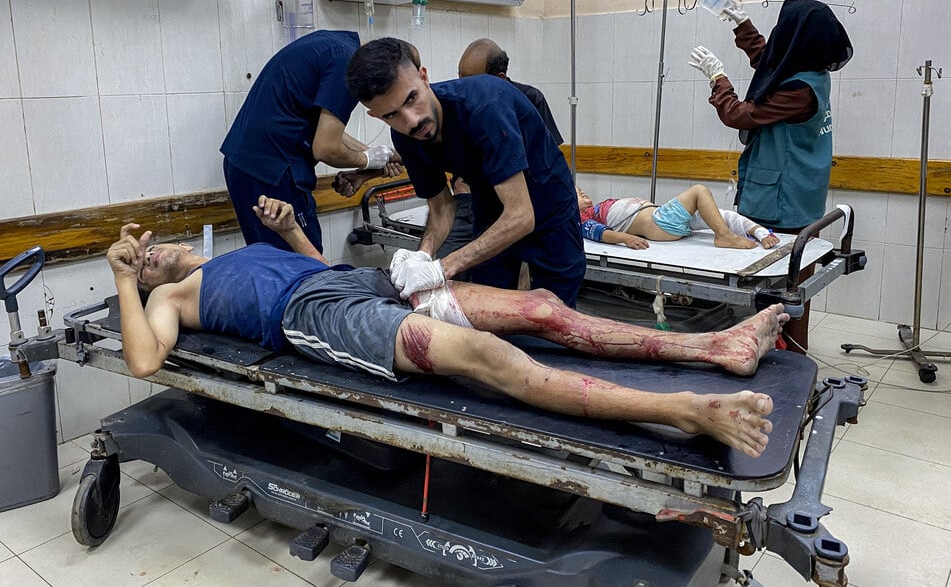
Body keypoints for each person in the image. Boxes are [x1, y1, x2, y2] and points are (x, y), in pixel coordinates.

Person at [106, 195, 790, 458]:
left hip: (345, 281)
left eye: (151, 247)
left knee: (540, 308)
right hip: (317, 319)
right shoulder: (173, 299)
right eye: (143, 265)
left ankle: (712, 344)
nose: (152, 256)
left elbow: (313, 269)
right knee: (490, 355)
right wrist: (123, 277)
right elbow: (142, 361)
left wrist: (289, 233)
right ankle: (686, 410)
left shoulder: (232, 253)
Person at [345, 37, 586, 307]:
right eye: (392, 115)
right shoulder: (406, 136)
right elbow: (441, 209)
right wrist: (423, 255)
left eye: (412, 99)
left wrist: (442, 268)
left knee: (556, 312)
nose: (412, 120)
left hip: (547, 204)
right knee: (490, 306)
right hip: (490, 206)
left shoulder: (484, 106)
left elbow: (521, 216)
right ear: (375, 116)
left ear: (424, 77)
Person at [689, 0, 852, 352]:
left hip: (781, 204)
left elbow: (741, 115)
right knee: (788, 297)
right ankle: (776, 358)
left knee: (783, 300)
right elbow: (771, 62)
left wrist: (719, 80)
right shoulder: (807, 71)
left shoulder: (800, 91)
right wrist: (743, 26)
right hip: (796, 196)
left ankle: (786, 367)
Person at [220, 29, 402, 253]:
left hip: (246, 166)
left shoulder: (332, 44)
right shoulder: (348, 64)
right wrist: (365, 160)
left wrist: (376, 158)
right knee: (303, 266)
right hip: (273, 172)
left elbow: (326, 131)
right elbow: (326, 148)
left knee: (270, 264)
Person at [577, 184, 781, 250]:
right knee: (699, 191)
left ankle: (760, 233)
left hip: (663, 218)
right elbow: (601, 234)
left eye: (581, 189)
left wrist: (762, 234)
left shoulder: (596, 208)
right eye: (576, 193)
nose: (583, 193)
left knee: (719, 215)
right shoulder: (582, 219)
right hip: (659, 223)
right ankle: (724, 236)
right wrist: (626, 239)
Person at [457, 37, 564, 146]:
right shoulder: (457, 104)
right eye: (459, 79)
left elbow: (549, 156)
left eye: (471, 83)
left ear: (500, 79)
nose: (462, 90)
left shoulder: (531, 100)